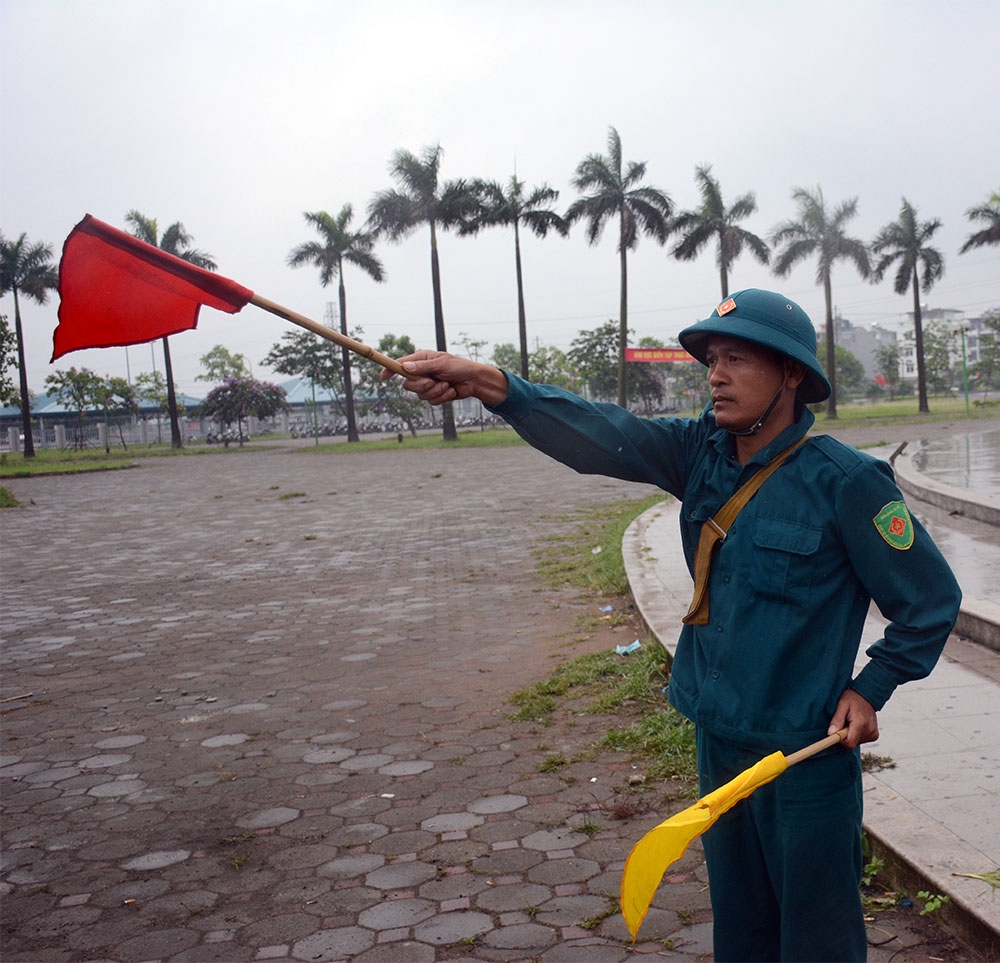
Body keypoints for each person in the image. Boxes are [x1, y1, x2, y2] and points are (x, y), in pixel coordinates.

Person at [384, 288, 962, 962]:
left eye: (738, 358)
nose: (715, 373)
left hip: (803, 756)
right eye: (712, 359)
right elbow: (601, 433)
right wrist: (491, 384)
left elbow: (930, 600)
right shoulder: (700, 454)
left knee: (817, 938)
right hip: (717, 739)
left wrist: (873, 685)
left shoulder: (848, 481)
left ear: (793, 374)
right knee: (741, 926)